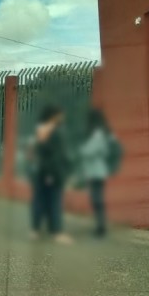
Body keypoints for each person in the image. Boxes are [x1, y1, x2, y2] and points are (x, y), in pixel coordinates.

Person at [29, 104, 72, 244]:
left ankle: (35, 230)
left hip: (42, 171)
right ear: (54, 116)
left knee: (40, 200)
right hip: (51, 172)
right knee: (54, 202)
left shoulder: (41, 129)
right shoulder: (54, 131)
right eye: (60, 114)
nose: (62, 117)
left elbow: (38, 152)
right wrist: (52, 174)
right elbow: (55, 155)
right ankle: (56, 233)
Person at [79, 109, 112, 238]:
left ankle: (101, 227)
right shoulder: (98, 134)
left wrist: (82, 150)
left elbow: (89, 151)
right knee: (96, 200)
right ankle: (100, 226)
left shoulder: (98, 135)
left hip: (96, 173)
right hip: (94, 172)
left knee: (97, 200)